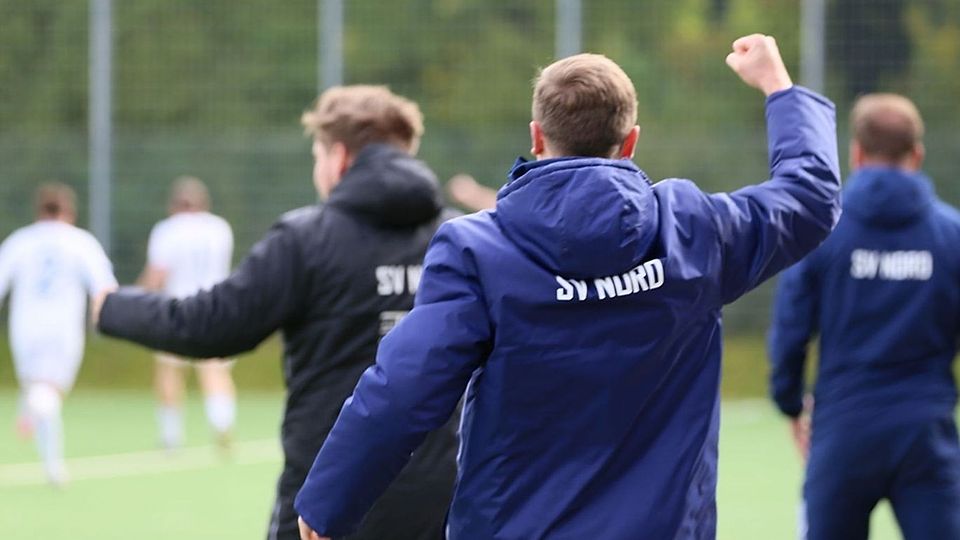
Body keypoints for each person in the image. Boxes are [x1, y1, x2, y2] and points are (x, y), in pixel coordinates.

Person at [294, 34, 841, 540]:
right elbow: (811, 198)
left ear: (537, 136)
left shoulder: (478, 249)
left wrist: (327, 503)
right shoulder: (691, 229)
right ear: (630, 142)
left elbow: (403, 389)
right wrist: (778, 87)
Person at [95, 85, 459, 540]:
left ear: (338, 157)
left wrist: (111, 306)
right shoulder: (460, 239)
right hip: (441, 506)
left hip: (326, 507)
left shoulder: (307, 239)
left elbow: (211, 325)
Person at [768, 94, 960, 539]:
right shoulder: (951, 236)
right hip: (926, 436)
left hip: (843, 431)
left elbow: (791, 329)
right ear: (917, 154)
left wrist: (790, 401)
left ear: (855, 153)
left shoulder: (823, 232)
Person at [0, 183, 117, 485]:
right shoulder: (81, 242)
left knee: (37, 387)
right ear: (70, 212)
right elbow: (104, 286)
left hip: (25, 328)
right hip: (63, 330)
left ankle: (52, 465)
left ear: (39, 211)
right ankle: (35, 415)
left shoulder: (20, 241)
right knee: (52, 392)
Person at [139, 177, 236, 450]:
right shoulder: (219, 228)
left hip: (177, 308)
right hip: (215, 306)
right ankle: (222, 424)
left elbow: (157, 275)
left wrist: (135, 298)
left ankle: (171, 435)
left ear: (174, 205)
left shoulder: (168, 230)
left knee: (170, 371)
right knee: (214, 369)